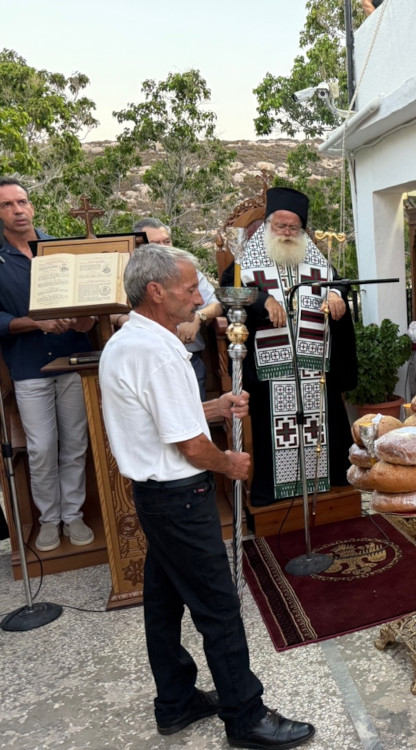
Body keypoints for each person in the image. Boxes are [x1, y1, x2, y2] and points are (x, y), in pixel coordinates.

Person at [99, 243, 315, 748]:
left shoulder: (132, 340)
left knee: (163, 600)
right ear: (155, 292)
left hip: (156, 496)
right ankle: (245, 715)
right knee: (219, 607)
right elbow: (190, 446)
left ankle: (174, 701)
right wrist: (231, 464)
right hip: (180, 496)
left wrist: (214, 408)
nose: (200, 296)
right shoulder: (155, 352)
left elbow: (166, 416)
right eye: (189, 287)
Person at [220, 187, 357, 506]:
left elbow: (338, 282)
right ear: (267, 226)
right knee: (274, 430)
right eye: (279, 226)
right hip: (271, 370)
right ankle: (275, 491)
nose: (285, 232)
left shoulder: (315, 259)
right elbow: (228, 289)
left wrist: (337, 294)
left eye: (292, 227)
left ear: (302, 230)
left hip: (314, 364)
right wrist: (262, 300)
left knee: (324, 424)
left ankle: (330, 481)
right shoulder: (248, 259)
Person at [0, 177, 95, 552]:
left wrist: (84, 318)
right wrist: (34, 323)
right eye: (7, 205)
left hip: (72, 359)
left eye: (22, 202)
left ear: (32, 206)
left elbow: (87, 301)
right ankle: (48, 519)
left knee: (74, 444)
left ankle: (73, 516)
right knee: (41, 448)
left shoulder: (58, 249)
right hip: (27, 367)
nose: (18, 210)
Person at [133, 218, 223, 399]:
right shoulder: (131, 276)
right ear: (139, 247)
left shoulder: (189, 271)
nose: (165, 248)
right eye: (156, 243)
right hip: (146, 361)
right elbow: (113, 314)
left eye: (167, 241)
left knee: (196, 418)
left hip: (188, 357)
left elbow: (216, 305)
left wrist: (198, 317)